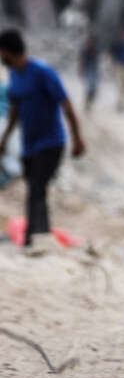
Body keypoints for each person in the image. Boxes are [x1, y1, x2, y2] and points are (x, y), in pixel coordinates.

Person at [0, 29, 86, 248]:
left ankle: (33, 238)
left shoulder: (42, 72)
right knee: (35, 189)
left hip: (51, 142)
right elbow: (15, 111)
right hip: (30, 145)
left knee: (37, 188)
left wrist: (77, 139)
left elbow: (66, 105)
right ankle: (42, 234)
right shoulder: (15, 76)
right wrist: (5, 138)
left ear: (8, 51)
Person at [79, 32, 100, 111]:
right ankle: (87, 103)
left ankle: (89, 103)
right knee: (90, 87)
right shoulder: (86, 49)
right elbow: (82, 60)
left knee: (93, 88)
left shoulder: (96, 49)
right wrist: (81, 69)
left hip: (94, 69)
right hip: (88, 69)